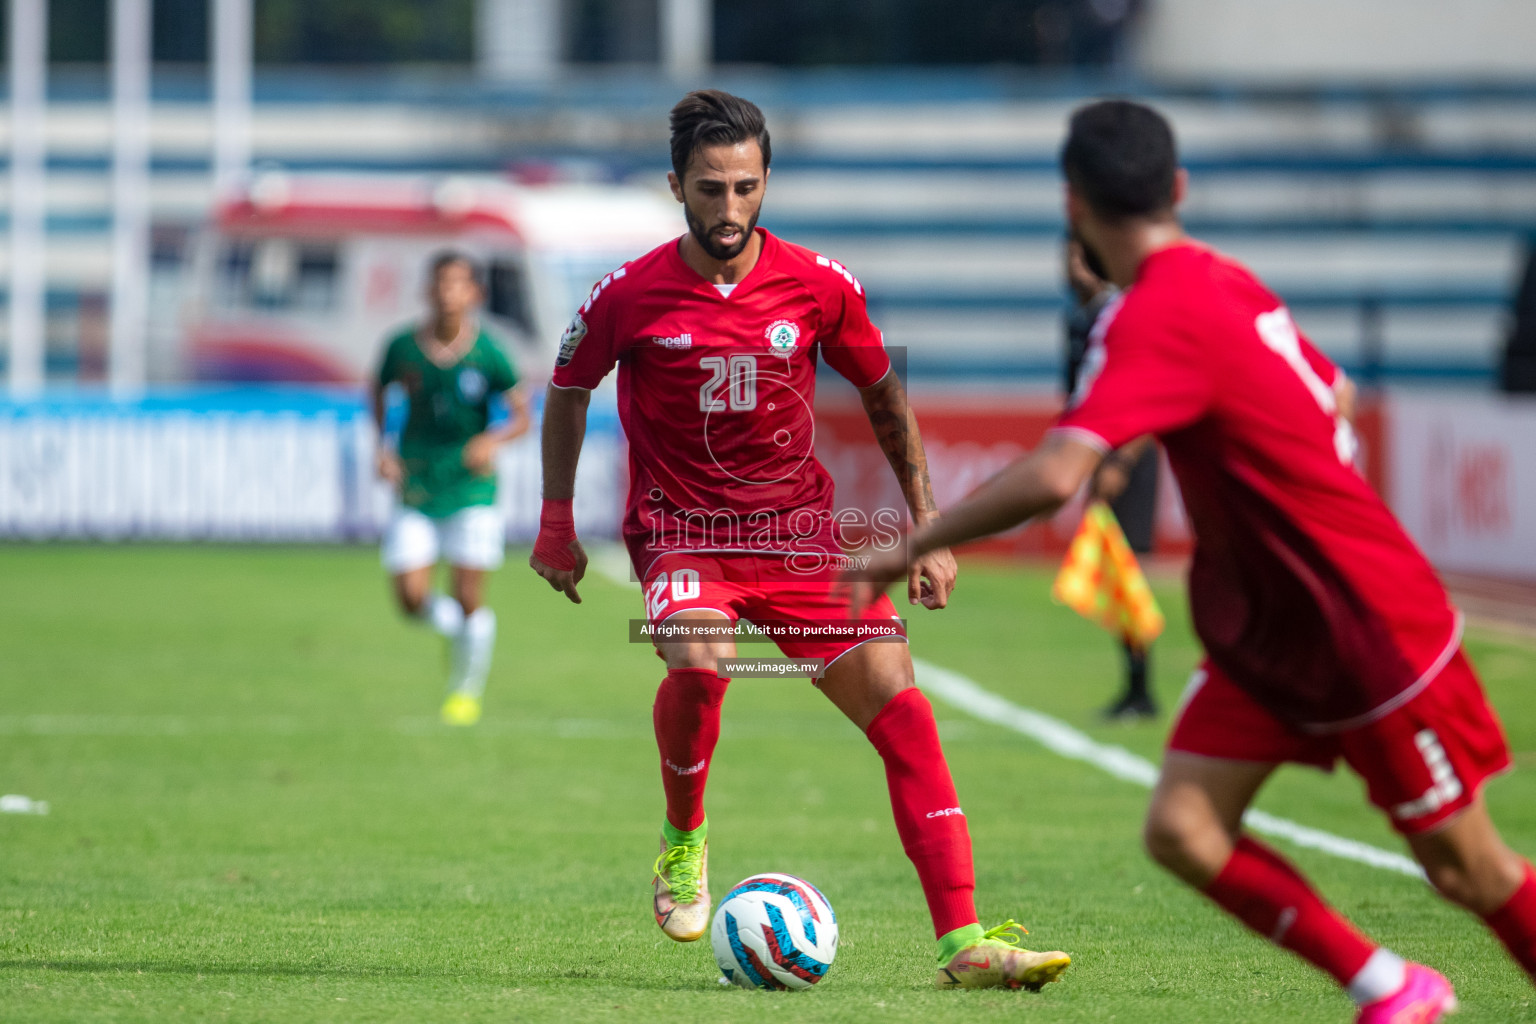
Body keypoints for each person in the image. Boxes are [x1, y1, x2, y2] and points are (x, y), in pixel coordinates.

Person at [853, 99, 1536, 1022]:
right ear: (1177, 189)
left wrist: (906, 546)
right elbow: (1333, 395)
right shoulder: (1229, 281)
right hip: (1273, 628)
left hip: (1362, 621)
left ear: (1074, 208)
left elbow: (1058, 475)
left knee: (1470, 868)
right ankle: (1394, 989)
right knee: (1184, 827)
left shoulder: (1146, 316)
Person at [529, 89, 1070, 991]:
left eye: (746, 186)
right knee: (701, 664)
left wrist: (929, 530)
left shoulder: (821, 285)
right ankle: (684, 839)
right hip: (682, 533)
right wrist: (555, 521)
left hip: (800, 542)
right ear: (676, 186)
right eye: (710, 188)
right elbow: (566, 391)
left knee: (905, 714)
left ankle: (964, 942)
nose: (730, 208)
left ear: (767, 180)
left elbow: (886, 399)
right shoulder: (627, 294)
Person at [373, 252, 531, 726]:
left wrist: (491, 438)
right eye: (440, 282)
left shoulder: (490, 352)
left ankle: (465, 690)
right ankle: (460, 633)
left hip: (471, 489)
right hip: (418, 484)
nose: (448, 292)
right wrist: (383, 446)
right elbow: (377, 391)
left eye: (458, 284)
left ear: (474, 294)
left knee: (468, 595)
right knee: (409, 597)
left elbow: (523, 416)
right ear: (428, 290)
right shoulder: (402, 347)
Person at [1064, 236, 1160, 719]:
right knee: (1114, 571)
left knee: (1126, 574)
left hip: (1125, 461)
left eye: (1078, 259)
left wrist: (1119, 464)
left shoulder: (1118, 316)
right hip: (1100, 458)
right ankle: (1134, 685)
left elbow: (1146, 399)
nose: (1069, 269)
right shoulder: (1080, 319)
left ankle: (1142, 687)